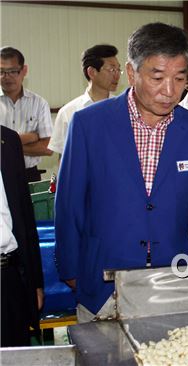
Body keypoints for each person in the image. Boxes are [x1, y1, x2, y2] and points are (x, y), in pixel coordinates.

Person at [54, 23, 188, 322]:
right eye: (157, 77)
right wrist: (69, 270)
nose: (170, 91)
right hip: (104, 283)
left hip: (174, 278)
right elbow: (69, 204)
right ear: (132, 74)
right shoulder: (89, 125)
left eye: (180, 78)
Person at [1, 125, 44, 346]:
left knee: (15, 353)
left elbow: (25, 216)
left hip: (10, 277)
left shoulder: (7, 141)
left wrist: (35, 283)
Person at [48, 44, 121, 155]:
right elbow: (63, 158)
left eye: (118, 69)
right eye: (111, 69)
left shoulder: (122, 109)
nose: (117, 75)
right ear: (91, 72)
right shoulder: (68, 112)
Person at [1, 47, 53, 182]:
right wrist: (32, 137)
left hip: (29, 175)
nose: (7, 77)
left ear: (24, 70)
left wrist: (8, 145)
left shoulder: (39, 103)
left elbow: (48, 148)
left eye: (12, 71)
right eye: (1, 72)